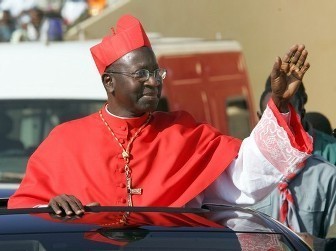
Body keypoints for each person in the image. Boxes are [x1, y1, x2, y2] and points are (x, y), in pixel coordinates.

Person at [8, 15, 313, 217]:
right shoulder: (65, 140)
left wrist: (280, 105)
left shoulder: (183, 132)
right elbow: (23, 208)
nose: (154, 81)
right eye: (141, 73)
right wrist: (49, 205)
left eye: (157, 72)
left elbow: (246, 177)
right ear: (109, 82)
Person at [252, 86, 336, 251]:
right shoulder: (242, 177)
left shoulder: (327, 177)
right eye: (273, 117)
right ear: (260, 119)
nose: (281, 125)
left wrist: (317, 245)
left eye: (289, 116)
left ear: (301, 116)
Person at [264, 76, 336, 166]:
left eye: (287, 112)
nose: (282, 117)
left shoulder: (330, 150)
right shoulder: (260, 153)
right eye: (275, 108)